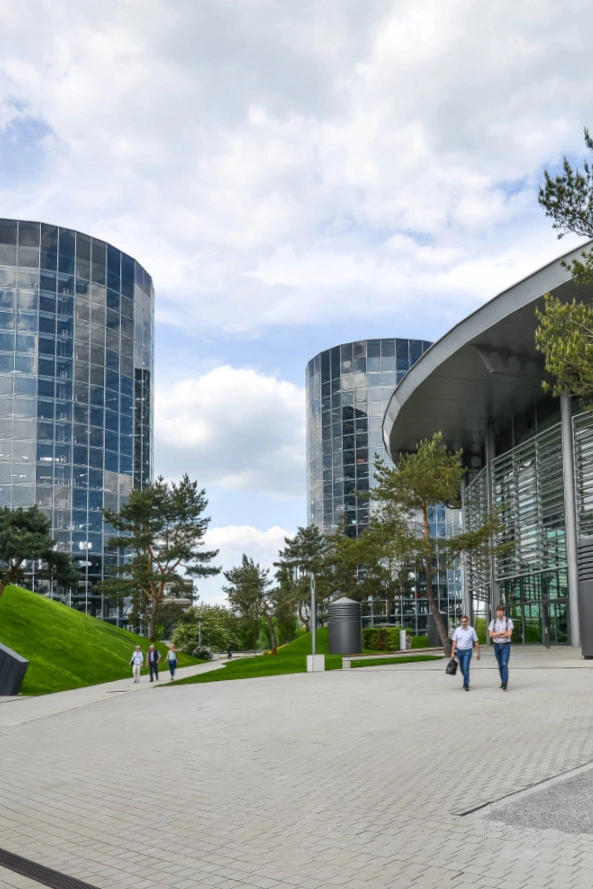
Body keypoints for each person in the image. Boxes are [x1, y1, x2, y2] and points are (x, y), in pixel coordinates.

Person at [451, 615, 481, 691]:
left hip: (468, 651)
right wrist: (452, 652)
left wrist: (478, 652)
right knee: (461, 668)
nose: (463, 623)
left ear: (467, 622)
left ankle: (466, 684)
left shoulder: (471, 630)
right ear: (460, 622)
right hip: (459, 651)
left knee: (466, 667)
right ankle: (466, 678)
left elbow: (476, 641)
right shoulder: (457, 630)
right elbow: (454, 641)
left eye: (465, 621)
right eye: (462, 621)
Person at [488, 605, 514, 690]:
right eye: (498, 612)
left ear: (503, 612)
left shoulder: (508, 621)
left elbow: (509, 634)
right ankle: (502, 681)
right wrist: (502, 633)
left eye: (501, 612)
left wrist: (497, 634)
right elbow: (491, 634)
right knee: (500, 665)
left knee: (504, 663)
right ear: (496, 612)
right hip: (496, 646)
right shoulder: (493, 622)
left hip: (505, 645)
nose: (499, 613)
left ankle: (505, 682)